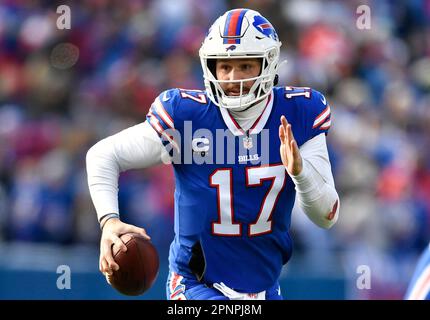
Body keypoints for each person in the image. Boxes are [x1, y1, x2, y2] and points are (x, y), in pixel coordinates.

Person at [86, 8, 340, 300]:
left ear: (268, 64)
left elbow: (327, 216)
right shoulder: (187, 116)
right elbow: (103, 154)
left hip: (265, 289)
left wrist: (300, 173)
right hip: (197, 285)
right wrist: (109, 221)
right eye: (225, 66)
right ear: (211, 67)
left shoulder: (299, 112)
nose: (234, 78)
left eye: (246, 66)